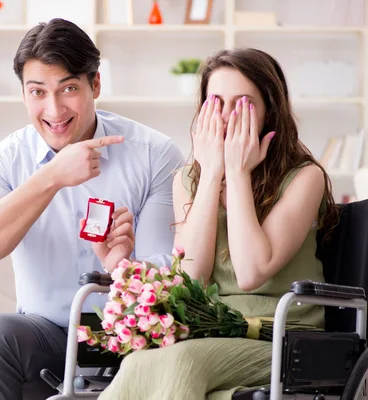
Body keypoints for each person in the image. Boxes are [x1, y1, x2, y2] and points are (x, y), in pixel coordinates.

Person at [0, 18, 185, 400]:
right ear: (24, 94)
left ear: (95, 84)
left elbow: (171, 275)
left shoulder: (155, 155)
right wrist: (51, 177)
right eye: (37, 92)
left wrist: (121, 266)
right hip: (47, 335)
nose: (54, 109)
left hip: (131, 336)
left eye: (68, 88)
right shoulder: (4, 160)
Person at [95, 48, 340, 400]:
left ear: (270, 110)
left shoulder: (305, 177)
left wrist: (238, 172)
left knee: (181, 362)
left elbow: (251, 272)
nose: (226, 117)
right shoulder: (188, 180)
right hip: (213, 333)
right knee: (137, 363)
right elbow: (193, 276)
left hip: (285, 335)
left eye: (242, 104)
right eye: (216, 103)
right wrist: (211, 173)